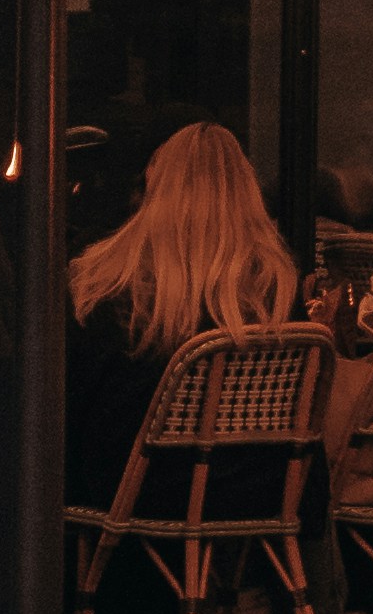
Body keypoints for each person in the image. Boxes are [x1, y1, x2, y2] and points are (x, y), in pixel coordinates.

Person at [63, 108, 306, 527]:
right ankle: (306, 590)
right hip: (255, 487)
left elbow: (75, 399)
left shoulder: (113, 284)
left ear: (155, 185)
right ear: (247, 191)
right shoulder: (275, 287)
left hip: (136, 490)